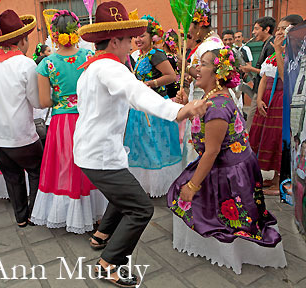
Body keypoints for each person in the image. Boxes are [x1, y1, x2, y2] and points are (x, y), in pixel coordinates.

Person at [74, 2, 210, 286]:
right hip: (99, 155)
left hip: (95, 151)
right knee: (141, 209)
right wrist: (179, 112)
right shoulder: (111, 68)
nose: (133, 43)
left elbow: (128, 98)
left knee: (124, 194)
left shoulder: (92, 68)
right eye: (128, 39)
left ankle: (101, 236)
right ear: (114, 40)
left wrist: (169, 104)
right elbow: (134, 91)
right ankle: (109, 263)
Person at [168, 47, 286, 274]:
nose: (196, 68)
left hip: (228, 170)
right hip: (227, 164)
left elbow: (212, 152)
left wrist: (193, 186)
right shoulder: (212, 96)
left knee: (214, 210)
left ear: (218, 71)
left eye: (203, 64)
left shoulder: (217, 106)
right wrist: (185, 106)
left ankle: (233, 253)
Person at [30, 10, 107, 234]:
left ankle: (68, 213)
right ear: (76, 31)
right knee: (89, 163)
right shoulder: (89, 57)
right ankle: (96, 211)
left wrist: (61, 98)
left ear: (54, 35)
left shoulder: (47, 64)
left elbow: (44, 102)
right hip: (87, 117)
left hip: (62, 120)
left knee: (65, 165)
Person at [0, 9, 43, 227]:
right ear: (22, 40)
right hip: (19, 134)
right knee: (36, 170)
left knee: (12, 176)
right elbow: (36, 102)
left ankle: (20, 217)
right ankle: (35, 212)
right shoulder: (26, 64)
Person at [123, 14, 180, 198]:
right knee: (142, 146)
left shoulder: (156, 54)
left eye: (142, 36)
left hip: (155, 108)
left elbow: (171, 76)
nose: (138, 40)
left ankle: (160, 184)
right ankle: (146, 184)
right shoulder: (137, 56)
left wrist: (150, 84)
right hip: (140, 108)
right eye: (136, 37)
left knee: (156, 145)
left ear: (152, 37)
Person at [249, 14, 304, 193]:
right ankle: (273, 177)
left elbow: (284, 76)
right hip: (268, 100)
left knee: (279, 140)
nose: (279, 32)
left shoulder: (295, 52)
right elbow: (265, 76)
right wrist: (258, 99)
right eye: (278, 28)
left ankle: (281, 180)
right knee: (266, 139)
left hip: (282, 100)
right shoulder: (275, 52)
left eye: (283, 28)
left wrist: (280, 51)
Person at [180, 0, 223, 166]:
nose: (188, 30)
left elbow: (205, 73)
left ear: (199, 24)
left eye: (189, 25)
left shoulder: (210, 45)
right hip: (201, 96)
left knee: (203, 142)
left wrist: (185, 67)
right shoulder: (207, 43)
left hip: (206, 98)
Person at [240, 16, 276, 131]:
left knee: (250, 124)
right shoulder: (267, 44)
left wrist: (250, 69)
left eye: (256, 29)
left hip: (263, 91)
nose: (253, 32)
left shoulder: (271, 46)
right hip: (259, 88)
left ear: (266, 29)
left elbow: (270, 73)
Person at [161, 29, 181, 99]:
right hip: (178, 94)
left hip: (167, 94)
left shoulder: (163, 58)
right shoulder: (178, 58)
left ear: (163, 43)